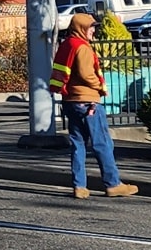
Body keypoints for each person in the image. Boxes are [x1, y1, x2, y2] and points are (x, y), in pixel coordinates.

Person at [49, 11, 138, 199]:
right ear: (81, 28)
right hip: (88, 101)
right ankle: (113, 184)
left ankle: (79, 186)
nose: (93, 31)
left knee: (78, 144)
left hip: (71, 101)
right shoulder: (82, 47)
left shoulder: (67, 45)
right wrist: (100, 86)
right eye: (90, 27)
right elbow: (85, 73)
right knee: (102, 143)